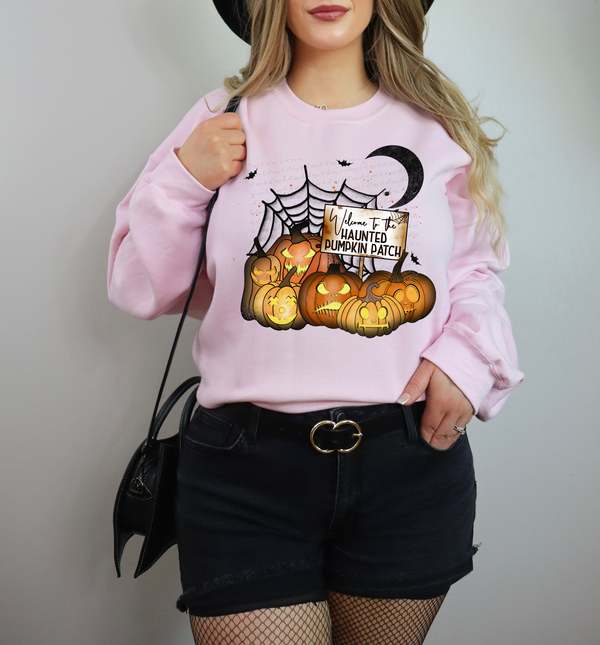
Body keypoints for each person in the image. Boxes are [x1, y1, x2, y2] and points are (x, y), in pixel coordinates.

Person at [107, 0, 524, 642]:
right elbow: (138, 285)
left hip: (407, 461)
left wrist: (467, 361)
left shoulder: (434, 125)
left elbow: (473, 273)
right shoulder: (222, 117)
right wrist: (185, 177)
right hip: (243, 472)